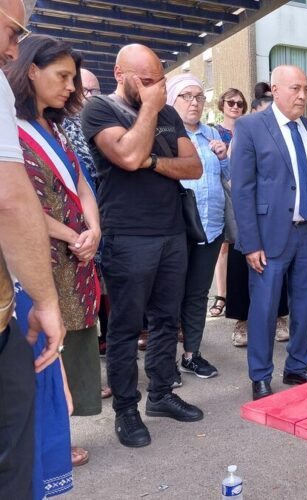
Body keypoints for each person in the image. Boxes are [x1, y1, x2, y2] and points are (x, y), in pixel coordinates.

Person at [81, 43, 204, 448]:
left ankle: (162, 394)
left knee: (167, 320)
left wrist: (153, 162)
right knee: (126, 327)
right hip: (127, 236)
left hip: (171, 233)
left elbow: (194, 167)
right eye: (147, 81)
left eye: (160, 81)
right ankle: (127, 409)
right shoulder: (99, 110)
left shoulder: (169, 115)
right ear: (120, 74)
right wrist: (150, 109)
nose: (156, 90)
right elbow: (128, 156)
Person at [7, 34, 102, 475]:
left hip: (75, 257)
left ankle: (60, 432)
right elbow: (16, 201)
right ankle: (47, 439)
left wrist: (93, 228)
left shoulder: (59, 127)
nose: (70, 87)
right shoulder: (11, 124)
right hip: (38, 258)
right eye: (62, 76)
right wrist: (72, 233)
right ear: (31, 70)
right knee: (45, 348)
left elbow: (81, 182)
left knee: (71, 343)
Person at [0, 2, 66, 497]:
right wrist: (45, 302)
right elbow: (11, 199)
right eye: (10, 30)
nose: (11, 48)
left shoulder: (59, 126)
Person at [231, 65, 307, 400]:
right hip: (269, 235)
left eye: (306, 89)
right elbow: (242, 189)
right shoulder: (251, 127)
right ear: (275, 88)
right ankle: (260, 374)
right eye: (295, 88)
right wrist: (250, 242)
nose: (302, 96)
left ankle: (298, 365)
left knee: (303, 305)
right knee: (264, 307)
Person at [167, 73, 228, 379]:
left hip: (211, 228)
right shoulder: (164, 134)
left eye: (199, 97)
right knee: (167, 295)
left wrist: (224, 156)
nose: (194, 103)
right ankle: (164, 363)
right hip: (174, 228)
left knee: (196, 293)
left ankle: (192, 354)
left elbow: (227, 178)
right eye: (186, 96)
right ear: (172, 99)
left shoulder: (212, 134)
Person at [225, 86, 290, 348]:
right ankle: (242, 320)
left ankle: (278, 317)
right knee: (242, 265)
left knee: (278, 269)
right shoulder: (244, 133)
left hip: (277, 216)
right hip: (248, 213)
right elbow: (236, 181)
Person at [62, 68, 112, 399]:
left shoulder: (83, 128)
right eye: (81, 89)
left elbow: (88, 179)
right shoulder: (46, 126)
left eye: (92, 91)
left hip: (96, 229)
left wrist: (94, 228)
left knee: (97, 303)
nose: (84, 96)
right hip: (65, 238)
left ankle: (88, 385)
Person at [208, 88, 247, 319]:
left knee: (239, 243)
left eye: (240, 103)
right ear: (222, 105)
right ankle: (222, 294)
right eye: (231, 102)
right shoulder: (214, 131)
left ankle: (237, 293)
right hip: (220, 190)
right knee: (223, 244)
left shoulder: (248, 129)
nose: (235, 106)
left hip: (242, 192)